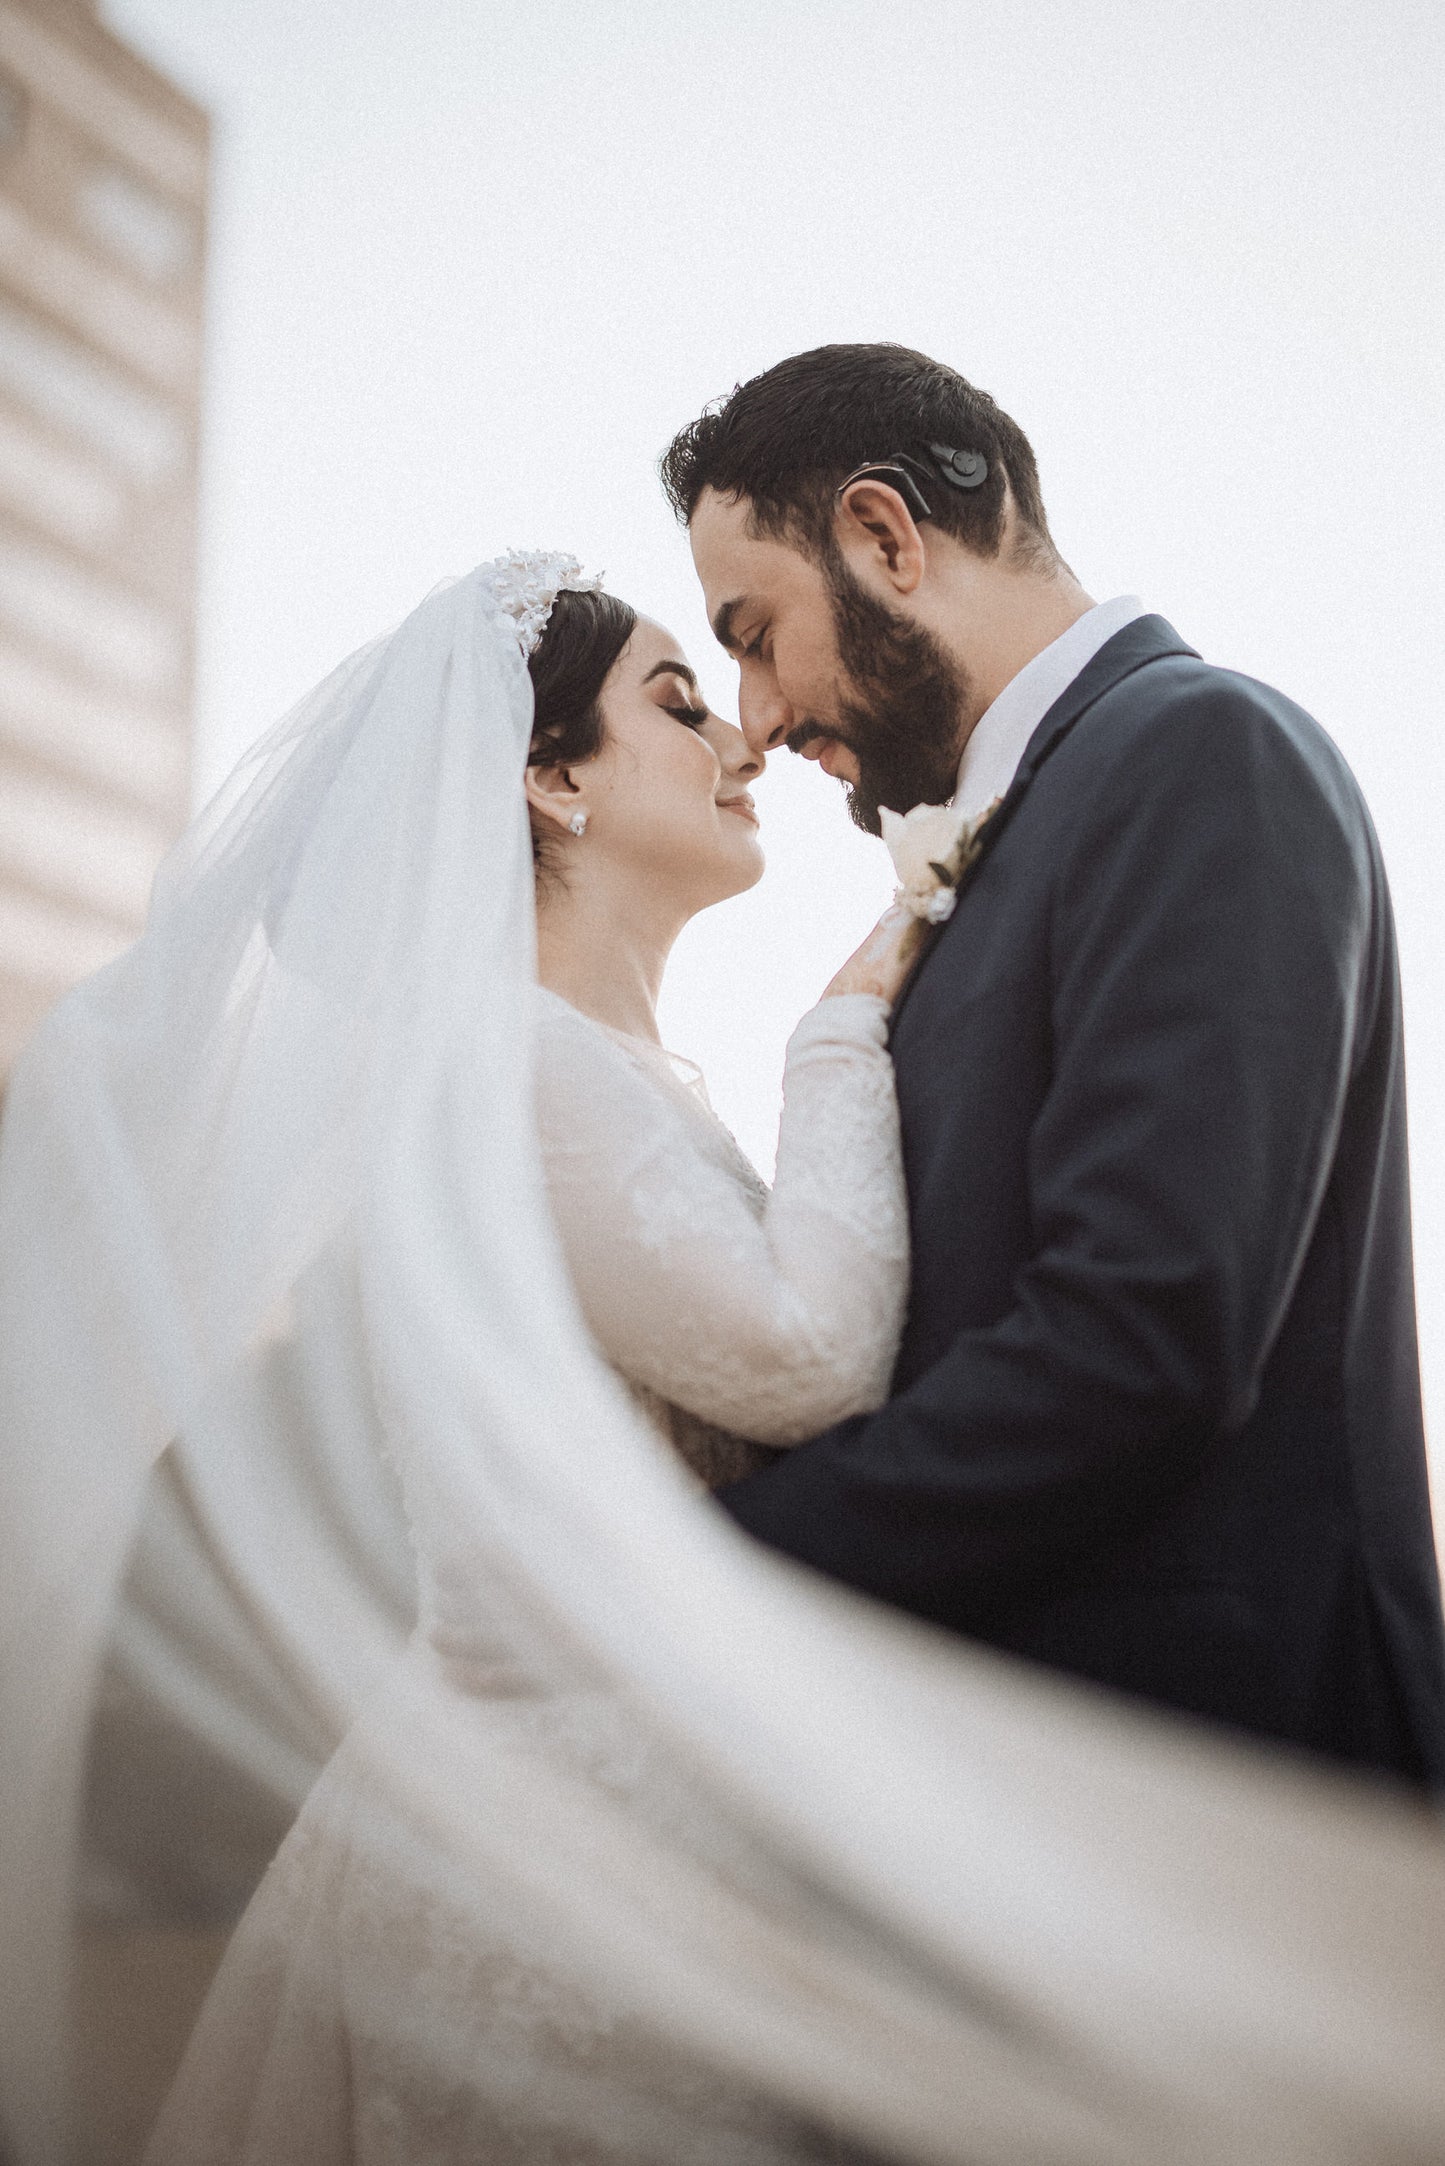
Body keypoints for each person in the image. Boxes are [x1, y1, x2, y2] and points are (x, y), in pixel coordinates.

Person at [4, 555, 1444, 2166]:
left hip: (667, 1812)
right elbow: (814, 1354)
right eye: (681, 701)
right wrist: (836, 1041)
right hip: (568, 1841)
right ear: (550, 780)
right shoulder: (505, 1067)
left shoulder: (603, 1075)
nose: (742, 740)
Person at [662, 340, 1445, 1789]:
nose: (756, 716)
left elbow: (1137, 1335)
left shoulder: (1205, 752)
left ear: (883, 535)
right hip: (1065, 1786)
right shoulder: (1039, 816)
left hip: (1239, 1787)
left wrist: (684, 1572)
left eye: (754, 631)